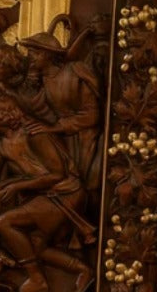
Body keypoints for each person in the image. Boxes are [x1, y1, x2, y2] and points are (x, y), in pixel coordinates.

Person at [0, 92, 95, 292]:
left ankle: (38, 280)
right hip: (46, 195)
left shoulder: (34, 133)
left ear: (5, 114)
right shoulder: (4, 145)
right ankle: (83, 270)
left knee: (5, 223)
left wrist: (16, 188)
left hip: (66, 193)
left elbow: (58, 174)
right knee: (33, 247)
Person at [17, 31, 102, 194]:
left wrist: (55, 128)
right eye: (30, 53)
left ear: (48, 55)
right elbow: (36, 110)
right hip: (66, 137)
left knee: (84, 185)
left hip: (85, 137)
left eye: (36, 53)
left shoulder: (75, 70)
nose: (31, 58)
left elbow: (92, 114)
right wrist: (31, 86)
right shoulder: (43, 80)